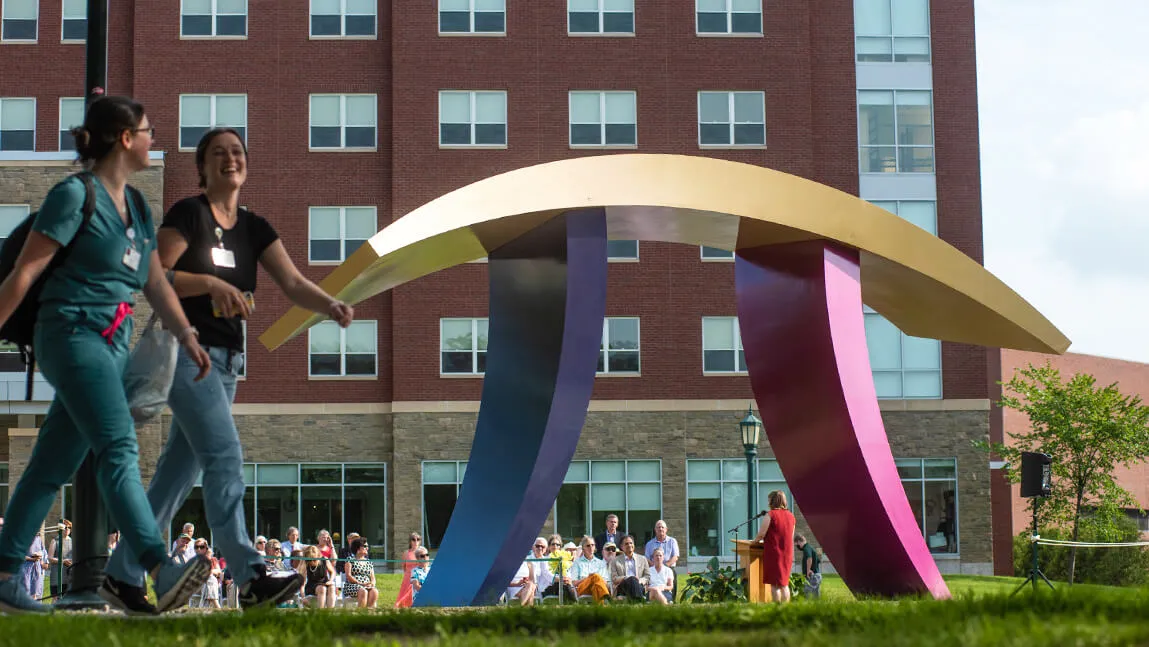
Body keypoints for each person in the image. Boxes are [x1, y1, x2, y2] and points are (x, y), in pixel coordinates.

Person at [103, 126, 353, 613]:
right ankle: (250, 575)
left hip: (228, 365)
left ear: (246, 164)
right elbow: (154, 274)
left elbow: (294, 281)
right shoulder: (188, 214)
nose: (229, 158)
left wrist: (330, 305)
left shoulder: (254, 228)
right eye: (218, 153)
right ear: (203, 167)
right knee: (225, 457)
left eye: (237, 151)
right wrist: (210, 285)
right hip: (185, 352)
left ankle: (121, 573)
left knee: (177, 474)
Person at [0, 95, 213, 615]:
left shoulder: (137, 207)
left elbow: (155, 279)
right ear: (124, 137)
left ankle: (4, 574)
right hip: (71, 335)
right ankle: (159, 567)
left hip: (112, 347)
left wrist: (186, 334)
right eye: (147, 130)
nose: (152, 138)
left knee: (51, 463)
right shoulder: (75, 196)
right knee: (118, 448)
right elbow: (25, 272)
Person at [755, 490, 796, 603]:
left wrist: (754, 542)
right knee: (784, 583)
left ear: (772, 501)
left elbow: (762, 534)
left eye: (769, 499)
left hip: (774, 553)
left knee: (775, 584)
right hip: (787, 553)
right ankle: (786, 608)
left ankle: (777, 607)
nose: (768, 502)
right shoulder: (791, 516)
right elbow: (790, 536)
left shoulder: (771, 515)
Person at [393, 531, 421, 608]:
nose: (416, 541)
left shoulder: (422, 552)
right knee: (403, 598)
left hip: (417, 577)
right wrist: (407, 576)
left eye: (418, 539)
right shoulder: (406, 553)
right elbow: (403, 566)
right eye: (413, 539)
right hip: (408, 577)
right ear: (410, 541)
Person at [796, 534, 822, 599]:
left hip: (812, 576)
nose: (797, 546)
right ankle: (816, 606)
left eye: (797, 544)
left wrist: (808, 571)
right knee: (815, 596)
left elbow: (809, 558)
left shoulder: (806, 548)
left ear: (799, 541)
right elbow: (818, 561)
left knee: (806, 592)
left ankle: (806, 606)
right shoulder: (810, 547)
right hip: (816, 575)